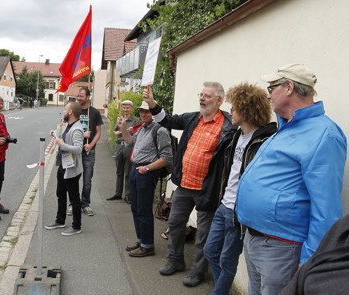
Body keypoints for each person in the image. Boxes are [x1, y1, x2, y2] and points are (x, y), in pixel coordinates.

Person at [236, 63, 347, 295]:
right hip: (256, 239)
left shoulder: (323, 134)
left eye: (271, 87)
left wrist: (311, 260)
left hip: (281, 248)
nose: (267, 94)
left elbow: (326, 209)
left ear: (288, 87)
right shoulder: (286, 127)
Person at [143, 82, 235, 287]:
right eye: (201, 94)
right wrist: (152, 104)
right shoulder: (194, 118)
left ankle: (198, 271)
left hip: (207, 189)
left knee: (204, 234)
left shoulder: (228, 125)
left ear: (219, 100)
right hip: (185, 184)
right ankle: (175, 260)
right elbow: (167, 120)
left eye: (207, 96)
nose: (202, 98)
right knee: (175, 223)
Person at [203, 82, 277, 295]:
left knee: (227, 259)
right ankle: (221, 289)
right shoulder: (235, 135)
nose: (231, 111)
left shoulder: (264, 141)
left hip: (239, 212)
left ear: (246, 109)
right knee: (210, 251)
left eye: (234, 107)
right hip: (223, 205)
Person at [119, 101, 172, 257]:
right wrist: (122, 128)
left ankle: (147, 245)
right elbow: (130, 142)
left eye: (147, 111)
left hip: (146, 172)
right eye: (141, 111)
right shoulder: (142, 127)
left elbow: (167, 158)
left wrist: (147, 168)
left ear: (154, 113)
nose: (143, 114)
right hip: (137, 169)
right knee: (135, 207)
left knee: (143, 209)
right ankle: (141, 239)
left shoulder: (160, 130)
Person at [45, 102, 84, 236]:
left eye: (65, 109)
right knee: (60, 194)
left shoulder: (77, 129)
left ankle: (76, 226)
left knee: (74, 198)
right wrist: (55, 133)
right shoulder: (69, 125)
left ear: (71, 112)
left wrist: (62, 144)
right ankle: (60, 220)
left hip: (72, 169)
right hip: (63, 166)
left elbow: (78, 149)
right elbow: (63, 135)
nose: (63, 111)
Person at [68, 86, 103, 217]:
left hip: (89, 152)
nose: (79, 98)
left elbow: (99, 132)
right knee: (73, 179)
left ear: (88, 97)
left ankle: (86, 204)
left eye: (81, 96)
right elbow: (68, 129)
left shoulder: (94, 112)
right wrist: (83, 135)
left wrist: (91, 145)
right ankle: (73, 204)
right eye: (78, 95)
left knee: (87, 181)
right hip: (75, 151)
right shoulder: (74, 111)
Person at [107, 99, 140, 204]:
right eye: (124, 107)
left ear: (131, 108)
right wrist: (118, 132)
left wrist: (129, 131)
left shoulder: (136, 120)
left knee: (128, 171)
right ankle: (117, 193)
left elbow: (137, 133)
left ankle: (128, 195)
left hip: (129, 146)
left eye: (127, 107)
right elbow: (115, 130)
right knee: (119, 171)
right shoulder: (120, 119)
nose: (125, 109)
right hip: (119, 146)